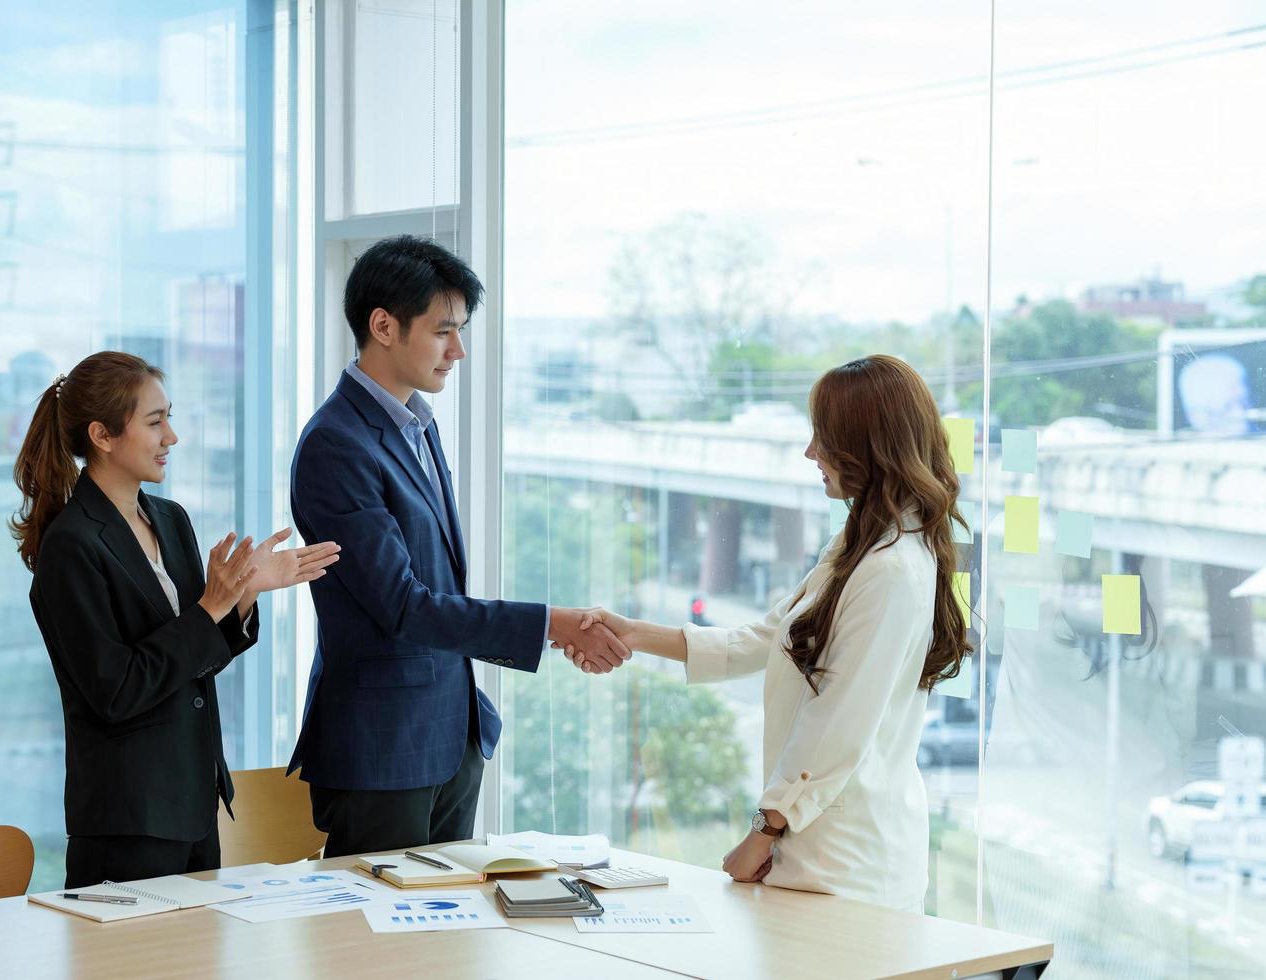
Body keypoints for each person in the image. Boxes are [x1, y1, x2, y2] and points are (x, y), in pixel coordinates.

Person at [567, 354, 971, 911]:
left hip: (849, 864)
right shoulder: (861, 544)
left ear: (867, 447)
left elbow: (839, 721)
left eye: (823, 438)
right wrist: (634, 633)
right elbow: (768, 638)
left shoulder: (890, 569)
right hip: (820, 849)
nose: (811, 453)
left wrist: (762, 832)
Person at [288, 235, 630, 858]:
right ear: (384, 326)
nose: (459, 350)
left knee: (444, 947)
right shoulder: (336, 444)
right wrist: (550, 624)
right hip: (384, 750)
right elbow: (404, 605)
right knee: (371, 950)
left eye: (462, 330)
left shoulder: (418, 423)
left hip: (449, 736)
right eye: (444, 331)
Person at [12, 351, 341, 887]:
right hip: (126, 821)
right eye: (155, 421)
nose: (173, 437)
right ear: (103, 435)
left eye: (171, 417)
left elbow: (195, 656)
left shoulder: (170, 519)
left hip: (193, 804)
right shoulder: (71, 545)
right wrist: (211, 607)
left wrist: (243, 594)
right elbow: (115, 690)